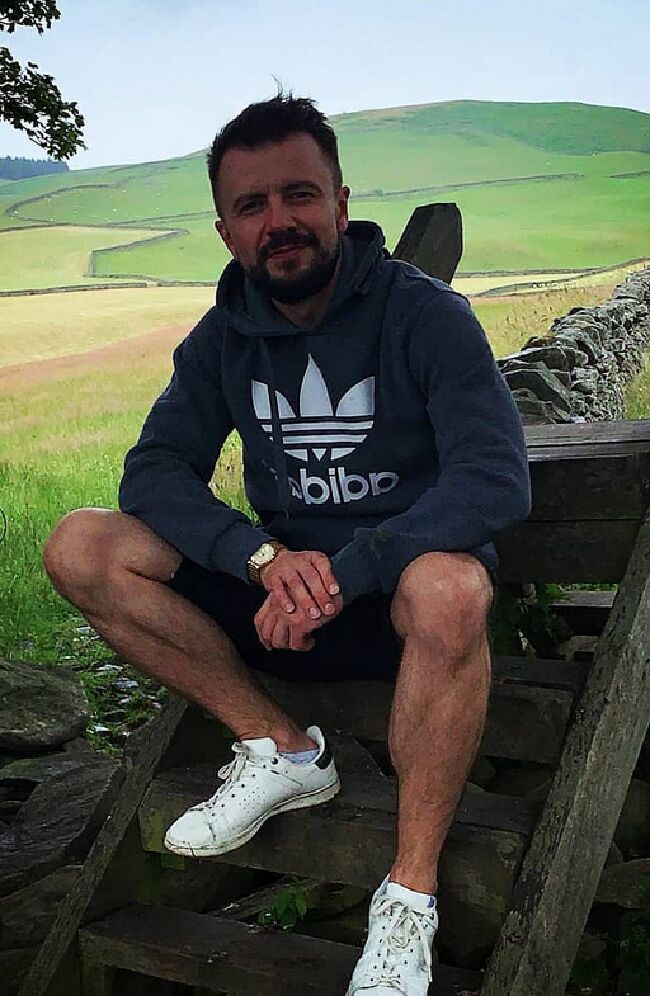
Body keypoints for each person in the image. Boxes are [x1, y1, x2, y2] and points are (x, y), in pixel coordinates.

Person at [42, 93, 531, 995]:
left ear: (341, 202)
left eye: (299, 195)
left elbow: (495, 478)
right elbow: (154, 471)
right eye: (252, 205)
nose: (280, 222)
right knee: (82, 545)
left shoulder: (425, 316)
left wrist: (348, 571)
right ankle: (283, 750)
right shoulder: (224, 337)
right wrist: (259, 559)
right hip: (280, 601)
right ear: (225, 230)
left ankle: (409, 895)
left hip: (399, 604)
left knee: (453, 587)